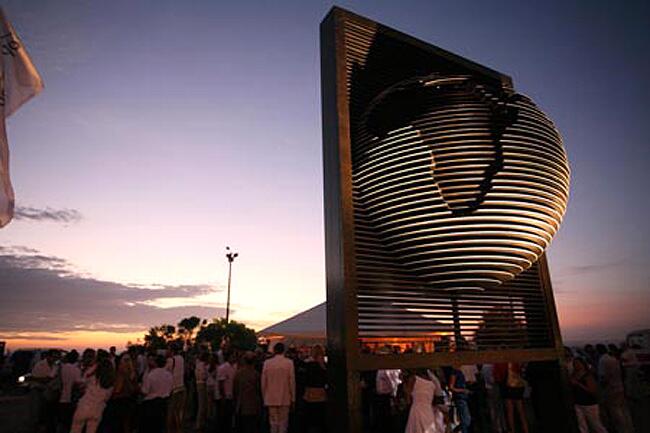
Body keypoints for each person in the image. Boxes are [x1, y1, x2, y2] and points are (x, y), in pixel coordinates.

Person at [70, 357, 115, 433]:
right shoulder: (111, 384)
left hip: (84, 407)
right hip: (98, 410)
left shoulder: (92, 378)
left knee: (75, 430)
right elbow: (107, 398)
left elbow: (80, 384)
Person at [596, 344, 634, 433]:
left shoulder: (603, 360)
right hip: (619, 386)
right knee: (624, 409)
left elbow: (604, 377)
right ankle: (630, 428)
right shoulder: (613, 359)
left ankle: (623, 430)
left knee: (615, 411)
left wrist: (601, 389)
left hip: (611, 389)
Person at [262, 343, 296, 433]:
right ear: (283, 350)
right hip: (285, 397)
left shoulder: (267, 363)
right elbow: (292, 382)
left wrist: (264, 396)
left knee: (273, 422)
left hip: (270, 397)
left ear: (274, 350)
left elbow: (263, 382)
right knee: (283, 423)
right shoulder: (289, 363)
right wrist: (293, 398)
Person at [571, 358, 608, 433]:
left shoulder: (587, 376)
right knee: (582, 426)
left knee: (595, 425)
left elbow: (592, 390)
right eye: (574, 363)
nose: (576, 365)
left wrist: (578, 384)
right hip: (578, 403)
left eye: (578, 363)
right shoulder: (574, 375)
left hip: (589, 403)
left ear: (583, 364)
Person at [106, 354, 139, 433]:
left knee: (118, 424)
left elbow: (118, 389)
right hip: (130, 400)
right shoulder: (133, 373)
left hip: (120, 401)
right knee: (127, 423)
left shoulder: (121, 374)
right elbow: (135, 388)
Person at [141, 354, 173, 433]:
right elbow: (170, 388)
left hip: (151, 404)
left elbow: (145, 391)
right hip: (164, 403)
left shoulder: (151, 375)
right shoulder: (169, 375)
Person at [495, 362, 529, 433]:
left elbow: (498, 376)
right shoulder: (513, 359)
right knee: (520, 411)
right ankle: (525, 430)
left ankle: (512, 430)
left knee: (510, 411)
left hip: (507, 385)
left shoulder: (501, 362)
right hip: (516, 385)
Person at [234, 351, 262, 433]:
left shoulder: (238, 374)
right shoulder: (256, 374)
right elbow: (259, 389)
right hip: (254, 406)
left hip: (241, 406)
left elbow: (235, 390)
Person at [302, 345, 327, 433]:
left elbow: (304, 380)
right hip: (321, 393)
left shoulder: (308, 365)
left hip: (309, 393)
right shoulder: (324, 367)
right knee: (320, 416)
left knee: (310, 416)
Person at [58, 350, 82, 432]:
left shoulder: (62, 367)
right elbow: (78, 384)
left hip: (61, 397)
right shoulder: (76, 370)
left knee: (62, 422)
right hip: (71, 399)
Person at [165, 344, 186, 433]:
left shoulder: (170, 360)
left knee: (171, 411)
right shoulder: (181, 358)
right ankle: (179, 429)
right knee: (179, 411)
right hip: (181, 386)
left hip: (173, 388)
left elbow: (165, 372)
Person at [375, 369, 401, 433]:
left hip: (387, 396)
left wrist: (394, 395)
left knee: (388, 417)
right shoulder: (381, 369)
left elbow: (392, 383)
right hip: (381, 396)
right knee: (382, 417)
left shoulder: (388, 369)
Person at [218, 352, 237, 433]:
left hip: (233, 394)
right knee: (225, 415)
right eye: (232, 357)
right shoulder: (223, 368)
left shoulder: (235, 367)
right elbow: (221, 383)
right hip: (226, 395)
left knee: (231, 414)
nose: (234, 358)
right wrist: (223, 395)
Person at [448, 365, 471, 433]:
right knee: (465, 420)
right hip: (460, 398)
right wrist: (462, 390)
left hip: (463, 397)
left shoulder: (459, 372)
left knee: (466, 419)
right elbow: (451, 387)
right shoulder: (455, 372)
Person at [195, 351, 209, 431]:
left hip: (200, 383)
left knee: (203, 405)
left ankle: (201, 423)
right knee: (202, 405)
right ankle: (199, 424)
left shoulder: (199, 364)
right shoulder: (201, 365)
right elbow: (202, 376)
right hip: (201, 384)